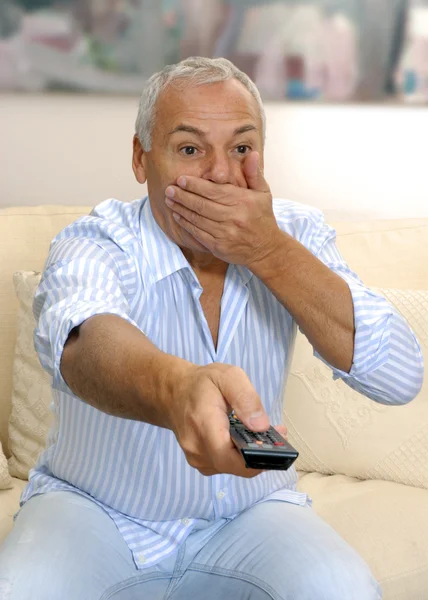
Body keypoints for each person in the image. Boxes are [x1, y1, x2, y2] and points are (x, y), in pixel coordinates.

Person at [0, 56, 423, 600]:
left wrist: (267, 250)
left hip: (254, 514)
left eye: (242, 148)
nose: (222, 175)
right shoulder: (96, 240)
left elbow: (399, 376)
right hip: (94, 510)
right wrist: (178, 390)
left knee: (343, 590)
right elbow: (82, 342)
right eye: (191, 149)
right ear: (141, 158)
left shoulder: (294, 234)